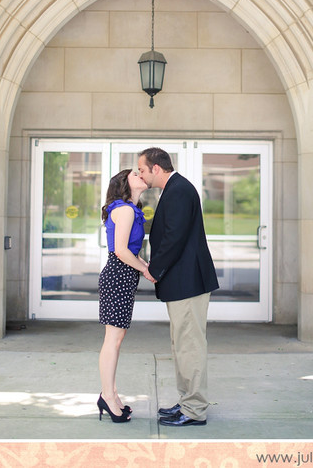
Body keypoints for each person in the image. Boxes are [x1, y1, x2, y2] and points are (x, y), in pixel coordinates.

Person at [137, 147, 220, 427]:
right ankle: (187, 402)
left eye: (142, 170)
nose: (140, 175)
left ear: (156, 168)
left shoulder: (180, 190)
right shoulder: (174, 189)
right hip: (182, 283)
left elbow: (175, 237)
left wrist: (154, 269)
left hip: (188, 283)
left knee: (190, 347)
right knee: (181, 345)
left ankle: (194, 410)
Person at [97, 169, 156, 423]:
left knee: (116, 339)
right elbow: (120, 251)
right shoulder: (126, 210)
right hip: (118, 275)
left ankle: (111, 394)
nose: (141, 174)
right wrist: (144, 268)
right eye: (135, 173)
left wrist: (145, 266)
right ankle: (108, 397)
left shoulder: (130, 209)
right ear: (124, 182)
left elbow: (131, 249)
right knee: (113, 340)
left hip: (123, 275)